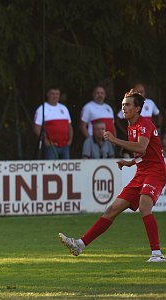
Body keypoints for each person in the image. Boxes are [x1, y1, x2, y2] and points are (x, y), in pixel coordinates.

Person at [59, 89, 166, 262]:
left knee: (144, 206)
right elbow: (145, 153)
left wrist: (114, 139)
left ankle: (156, 254)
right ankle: (80, 244)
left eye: (128, 105)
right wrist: (129, 163)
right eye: (123, 105)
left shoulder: (144, 124)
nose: (124, 108)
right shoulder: (132, 126)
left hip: (155, 172)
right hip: (141, 172)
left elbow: (141, 148)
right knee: (112, 209)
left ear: (137, 109)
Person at [33, 88, 73, 159]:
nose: (55, 96)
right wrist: (45, 140)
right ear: (48, 94)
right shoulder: (42, 108)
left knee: (66, 169)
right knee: (51, 168)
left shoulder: (64, 108)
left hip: (65, 145)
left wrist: (70, 139)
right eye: (53, 94)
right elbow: (37, 128)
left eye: (57, 94)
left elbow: (69, 126)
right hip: (51, 146)